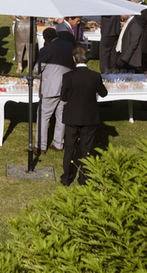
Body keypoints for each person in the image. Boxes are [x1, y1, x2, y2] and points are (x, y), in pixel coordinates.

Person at [60, 45, 107, 187]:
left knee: (69, 148)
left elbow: (63, 97)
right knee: (86, 149)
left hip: (72, 116)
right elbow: (104, 93)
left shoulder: (68, 76)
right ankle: (83, 179)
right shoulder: (95, 76)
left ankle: (67, 178)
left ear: (74, 59)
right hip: (89, 116)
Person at [36, 28, 73, 153]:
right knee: (61, 116)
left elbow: (37, 69)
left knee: (43, 116)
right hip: (66, 86)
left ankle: (41, 146)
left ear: (45, 38)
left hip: (50, 87)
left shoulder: (46, 50)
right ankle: (58, 144)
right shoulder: (69, 46)